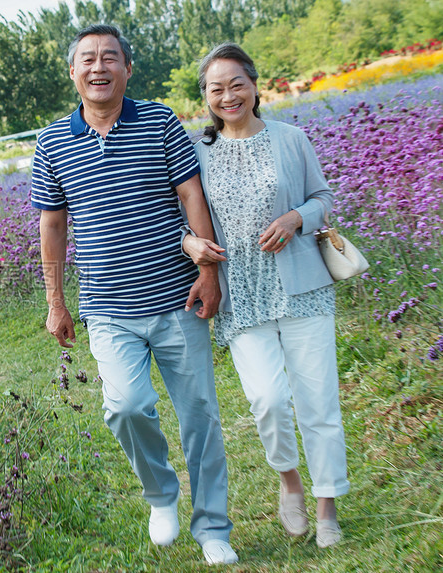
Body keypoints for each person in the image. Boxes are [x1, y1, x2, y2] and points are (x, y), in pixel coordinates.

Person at [31, 24, 238, 565]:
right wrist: (56, 301)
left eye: (110, 58)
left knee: (200, 418)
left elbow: (191, 193)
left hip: (177, 300)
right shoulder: (52, 141)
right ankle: (160, 494)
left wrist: (209, 271)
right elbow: (52, 227)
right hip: (107, 309)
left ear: (127, 68)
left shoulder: (159, 121)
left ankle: (213, 526)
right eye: (88, 60)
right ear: (72, 72)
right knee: (125, 407)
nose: (99, 68)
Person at [184, 42, 349, 549]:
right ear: (206, 98)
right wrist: (191, 243)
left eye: (237, 84)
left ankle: (327, 507)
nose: (228, 95)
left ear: (255, 86)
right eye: (217, 88)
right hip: (241, 296)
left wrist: (297, 217)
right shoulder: (196, 151)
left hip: (303, 290)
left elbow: (322, 198)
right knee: (268, 401)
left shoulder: (291, 138)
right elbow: (182, 216)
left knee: (318, 403)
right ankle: (289, 483)